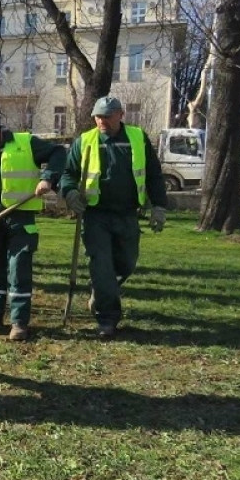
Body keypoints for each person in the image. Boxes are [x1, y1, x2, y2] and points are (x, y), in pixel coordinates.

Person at [59, 96, 168, 338]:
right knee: (101, 266)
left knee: (127, 263)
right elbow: (68, 173)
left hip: (128, 213)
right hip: (96, 215)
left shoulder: (137, 138)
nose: (101, 121)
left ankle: (101, 293)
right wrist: (70, 192)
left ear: (121, 114)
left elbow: (153, 173)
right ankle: (107, 319)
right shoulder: (85, 141)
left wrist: (159, 206)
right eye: (98, 116)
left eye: (107, 116)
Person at [0, 110, 66, 341]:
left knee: (18, 268)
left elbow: (59, 152)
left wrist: (47, 177)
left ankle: (19, 322)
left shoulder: (25, 142)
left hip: (20, 218)